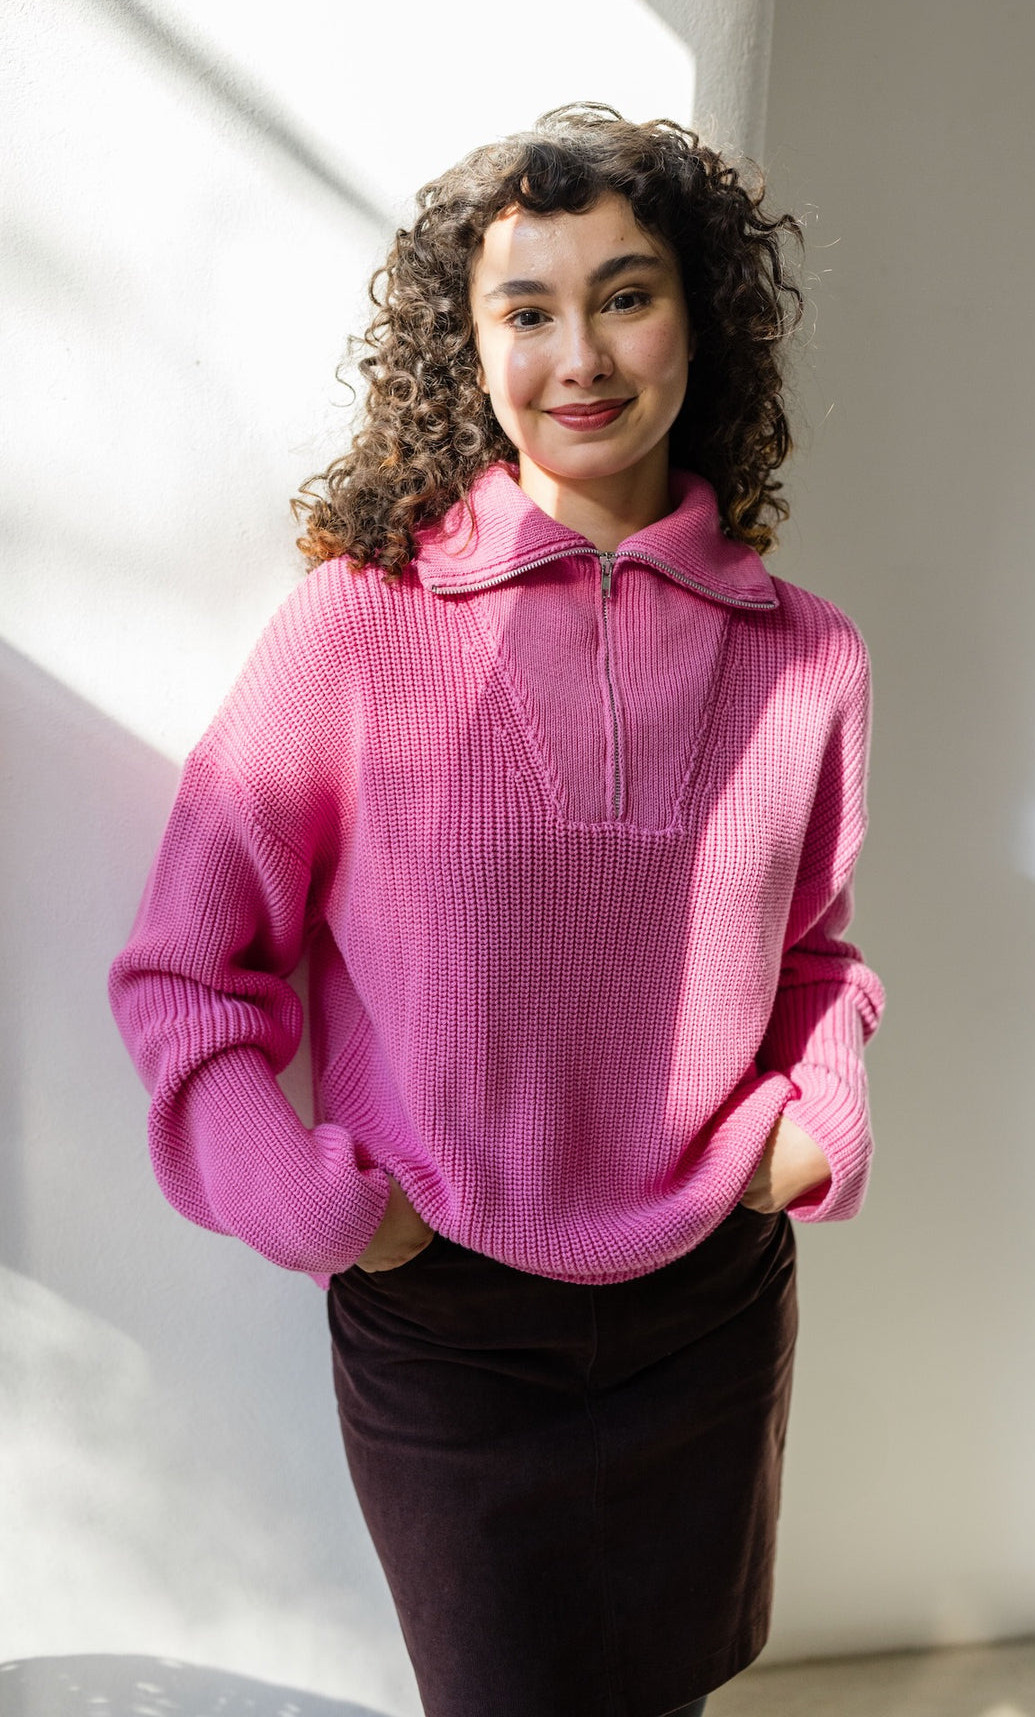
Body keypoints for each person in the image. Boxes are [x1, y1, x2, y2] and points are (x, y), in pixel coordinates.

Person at [108, 102, 886, 1717]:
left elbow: (814, 953)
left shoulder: (808, 654)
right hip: (448, 1314)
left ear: (699, 322)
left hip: (711, 1302)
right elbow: (184, 971)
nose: (578, 356)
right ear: (468, 350)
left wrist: (821, 1114)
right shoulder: (356, 628)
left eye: (626, 295)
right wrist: (315, 1204)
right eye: (526, 310)